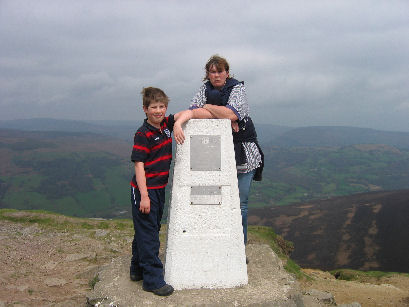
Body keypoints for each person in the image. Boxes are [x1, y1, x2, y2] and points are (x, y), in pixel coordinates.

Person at [173, 55, 264, 249]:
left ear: (227, 72)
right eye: (212, 72)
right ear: (208, 74)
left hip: (244, 153)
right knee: (216, 201)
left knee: (241, 203)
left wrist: (209, 108)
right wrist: (222, 113)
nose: (216, 75)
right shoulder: (204, 89)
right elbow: (194, 113)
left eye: (220, 71)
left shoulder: (237, 88)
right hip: (217, 154)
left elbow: (233, 113)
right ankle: (220, 242)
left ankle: (240, 246)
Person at [130, 87, 190, 296]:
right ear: (145, 109)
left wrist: (178, 124)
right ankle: (153, 281)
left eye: (162, 106)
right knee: (149, 236)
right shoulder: (143, 133)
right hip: (145, 190)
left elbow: (186, 113)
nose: (158, 111)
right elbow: (138, 165)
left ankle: (136, 269)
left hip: (159, 189)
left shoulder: (165, 125)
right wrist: (144, 196)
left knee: (149, 229)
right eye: (153, 107)